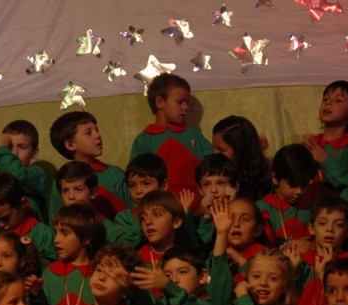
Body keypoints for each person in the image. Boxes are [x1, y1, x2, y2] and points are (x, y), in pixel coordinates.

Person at [129, 73, 213, 209]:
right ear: (160, 102)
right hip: (162, 211)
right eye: (180, 102)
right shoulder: (144, 140)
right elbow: (135, 179)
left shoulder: (193, 134)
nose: (186, 107)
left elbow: (215, 164)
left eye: (187, 103)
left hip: (199, 209)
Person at [288, 197, 348, 305]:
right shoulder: (300, 261)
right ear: (311, 228)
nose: (330, 229)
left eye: (338, 225)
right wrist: (290, 271)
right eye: (323, 223)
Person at [0, 171, 56, 273]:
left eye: (6, 218)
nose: (1, 225)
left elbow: (53, 266)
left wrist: (28, 257)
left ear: (23, 203)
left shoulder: (41, 233)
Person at [48, 111, 130, 220]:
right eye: (89, 133)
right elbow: (56, 220)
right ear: (70, 144)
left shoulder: (115, 174)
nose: (98, 135)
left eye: (97, 130)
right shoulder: (63, 181)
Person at [41, 203, 105, 305]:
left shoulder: (101, 273)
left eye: (64, 233)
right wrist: (36, 296)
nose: (56, 239)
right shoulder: (50, 273)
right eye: (56, 232)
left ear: (86, 238)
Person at [257, 144, 317, 246]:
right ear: (275, 178)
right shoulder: (261, 208)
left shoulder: (312, 209)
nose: (299, 191)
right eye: (293, 185)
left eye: (304, 185)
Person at [212, 115, 271, 201]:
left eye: (221, 150)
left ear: (240, 150)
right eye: (214, 148)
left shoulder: (263, 183)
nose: (214, 153)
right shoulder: (223, 170)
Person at [115, 153, 168, 247]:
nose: (138, 191)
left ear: (163, 185)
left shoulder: (170, 214)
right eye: (132, 185)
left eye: (146, 184)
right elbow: (124, 245)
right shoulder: (124, 218)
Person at [187, 153, 240, 248]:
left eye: (221, 183)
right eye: (207, 184)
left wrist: (233, 204)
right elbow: (203, 244)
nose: (214, 190)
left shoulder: (246, 208)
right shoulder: (198, 218)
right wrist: (207, 216)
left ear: (235, 187)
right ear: (200, 189)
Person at [136, 190, 186, 270]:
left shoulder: (187, 257)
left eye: (157, 214)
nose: (148, 221)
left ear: (176, 222)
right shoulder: (137, 261)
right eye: (143, 218)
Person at [223, 196, 266, 282]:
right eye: (230, 218)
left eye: (245, 219)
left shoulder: (265, 256)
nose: (236, 224)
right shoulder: (219, 255)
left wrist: (238, 259)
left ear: (257, 230)